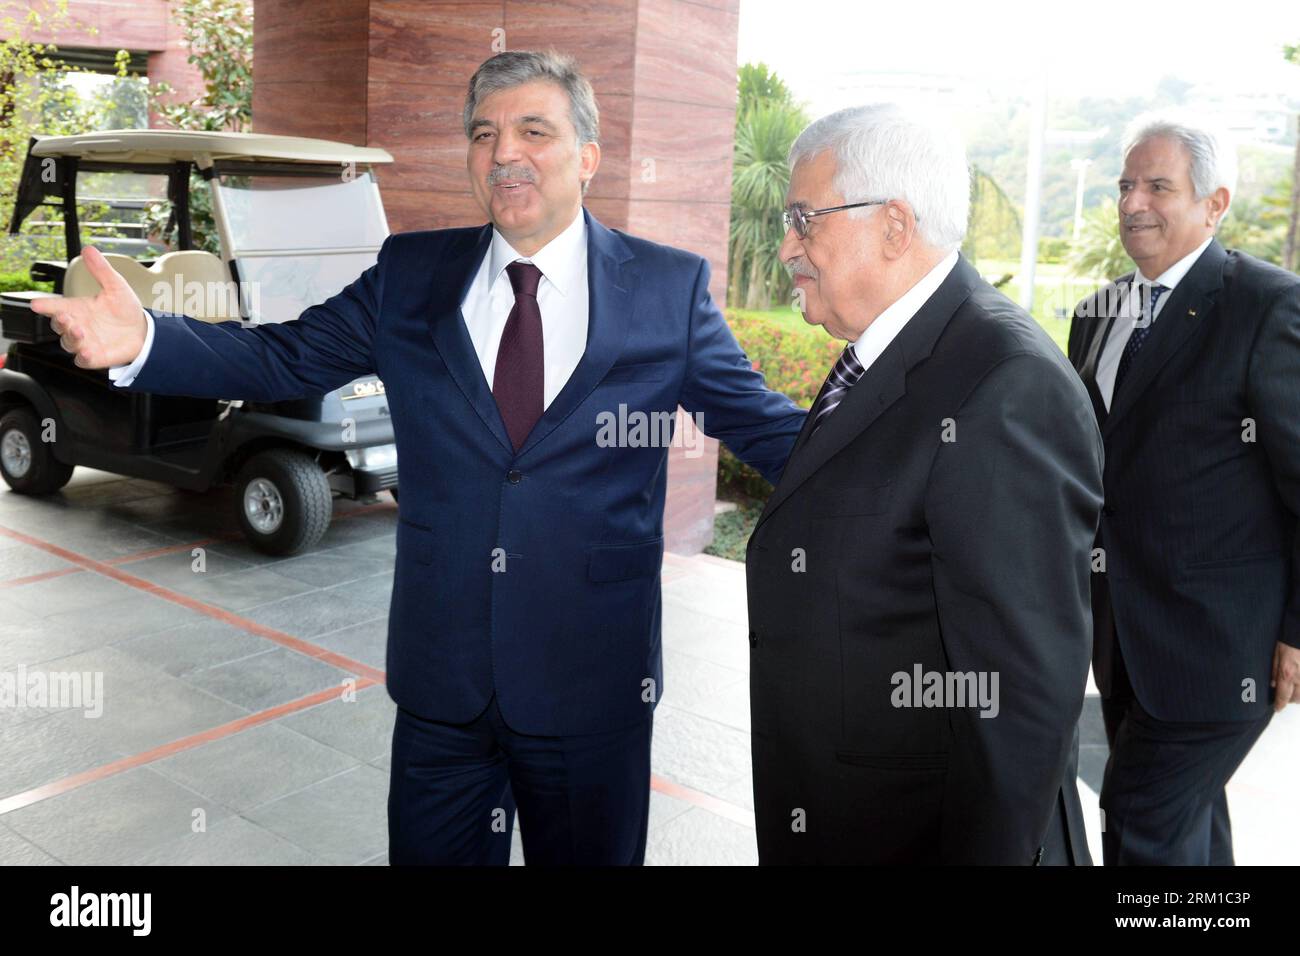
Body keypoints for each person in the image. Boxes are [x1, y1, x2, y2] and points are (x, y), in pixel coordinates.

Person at [33, 50, 806, 865]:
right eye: (484, 134)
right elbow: (282, 359)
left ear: (587, 156)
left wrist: (904, 471)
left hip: (593, 681)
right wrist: (146, 341)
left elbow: (765, 428)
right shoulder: (412, 274)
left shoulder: (666, 288)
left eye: (533, 131)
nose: (505, 152)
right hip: (446, 684)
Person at [746, 103, 1102, 864]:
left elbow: (1018, 704)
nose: (787, 246)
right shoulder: (887, 351)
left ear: (895, 226)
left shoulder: (1005, 386)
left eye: (806, 220)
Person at [1067, 112, 1300, 865]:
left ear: (1215, 202)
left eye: (1159, 186)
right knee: (1190, 825)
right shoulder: (1094, 316)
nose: (1134, 201)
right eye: (1127, 184)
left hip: (1223, 650)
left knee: (1137, 815)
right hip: (1126, 639)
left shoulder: (1267, 306)